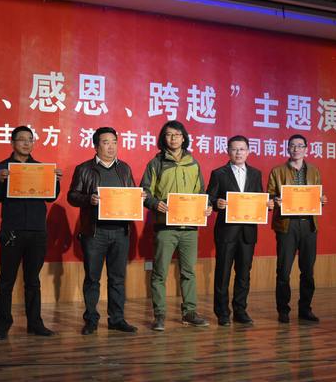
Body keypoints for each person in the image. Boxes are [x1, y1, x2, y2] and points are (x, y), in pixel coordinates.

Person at [0, 126, 62, 339]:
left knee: (33, 281)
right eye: (22, 139)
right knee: (6, 281)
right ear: (12, 143)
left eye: (30, 139)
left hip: (37, 232)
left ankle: (35, 324)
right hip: (12, 231)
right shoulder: (2, 168)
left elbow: (51, 197)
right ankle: (2, 326)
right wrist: (0, 182)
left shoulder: (40, 168)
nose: (27, 143)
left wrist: (55, 181)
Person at [140, 120, 213, 332]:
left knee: (189, 272)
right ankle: (159, 315)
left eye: (177, 134)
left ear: (184, 138)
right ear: (164, 138)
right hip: (165, 227)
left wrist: (207, 206)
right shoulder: (156, 163)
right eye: (169, 134)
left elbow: (201, 192)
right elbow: (145, 192)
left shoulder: (193, 163)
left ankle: (189, 312)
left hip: (190, 228)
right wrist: (155, 203)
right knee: (159, 273)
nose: (173, 138)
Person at [67, 127, 140, 335]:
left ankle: (117, 319)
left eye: (114, 142)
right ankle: (91, 320)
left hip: (120, 231)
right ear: (96, 146)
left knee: (117, 278)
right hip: (95, 232)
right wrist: (88, 199)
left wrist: (138, 198)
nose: (111, 147)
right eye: (106, 142)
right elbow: (72, 196)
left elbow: (131, 194)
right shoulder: (84, 169)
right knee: (92, 278)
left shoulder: (124, 169)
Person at [207, 135, 273, 326]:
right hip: (226, 231)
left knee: (244, 273)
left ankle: (240, 310)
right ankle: (222, 313)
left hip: (248, 232)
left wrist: (267, 204)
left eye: (242, 149)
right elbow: (209, 198)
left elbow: (259, 198)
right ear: (228, 151)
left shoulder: (255, 173)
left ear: (248, 151)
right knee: (223, 273)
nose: (238, 153)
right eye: (234, 149)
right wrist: (217, 203)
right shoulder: (219, 173)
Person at [267, 134, 328, 324]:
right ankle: (283, 310)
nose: (296, 149)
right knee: (283, 271)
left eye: (300, 146)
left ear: (306, 149)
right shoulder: (277, 171)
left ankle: (305, 309)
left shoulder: (314, 171)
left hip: (308, 224)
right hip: (287, 224)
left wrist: (322, 200)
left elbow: (317, 194)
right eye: (292, 146)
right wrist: (275, 200)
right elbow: (269, 195)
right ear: (288, 148)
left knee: (307, 270)